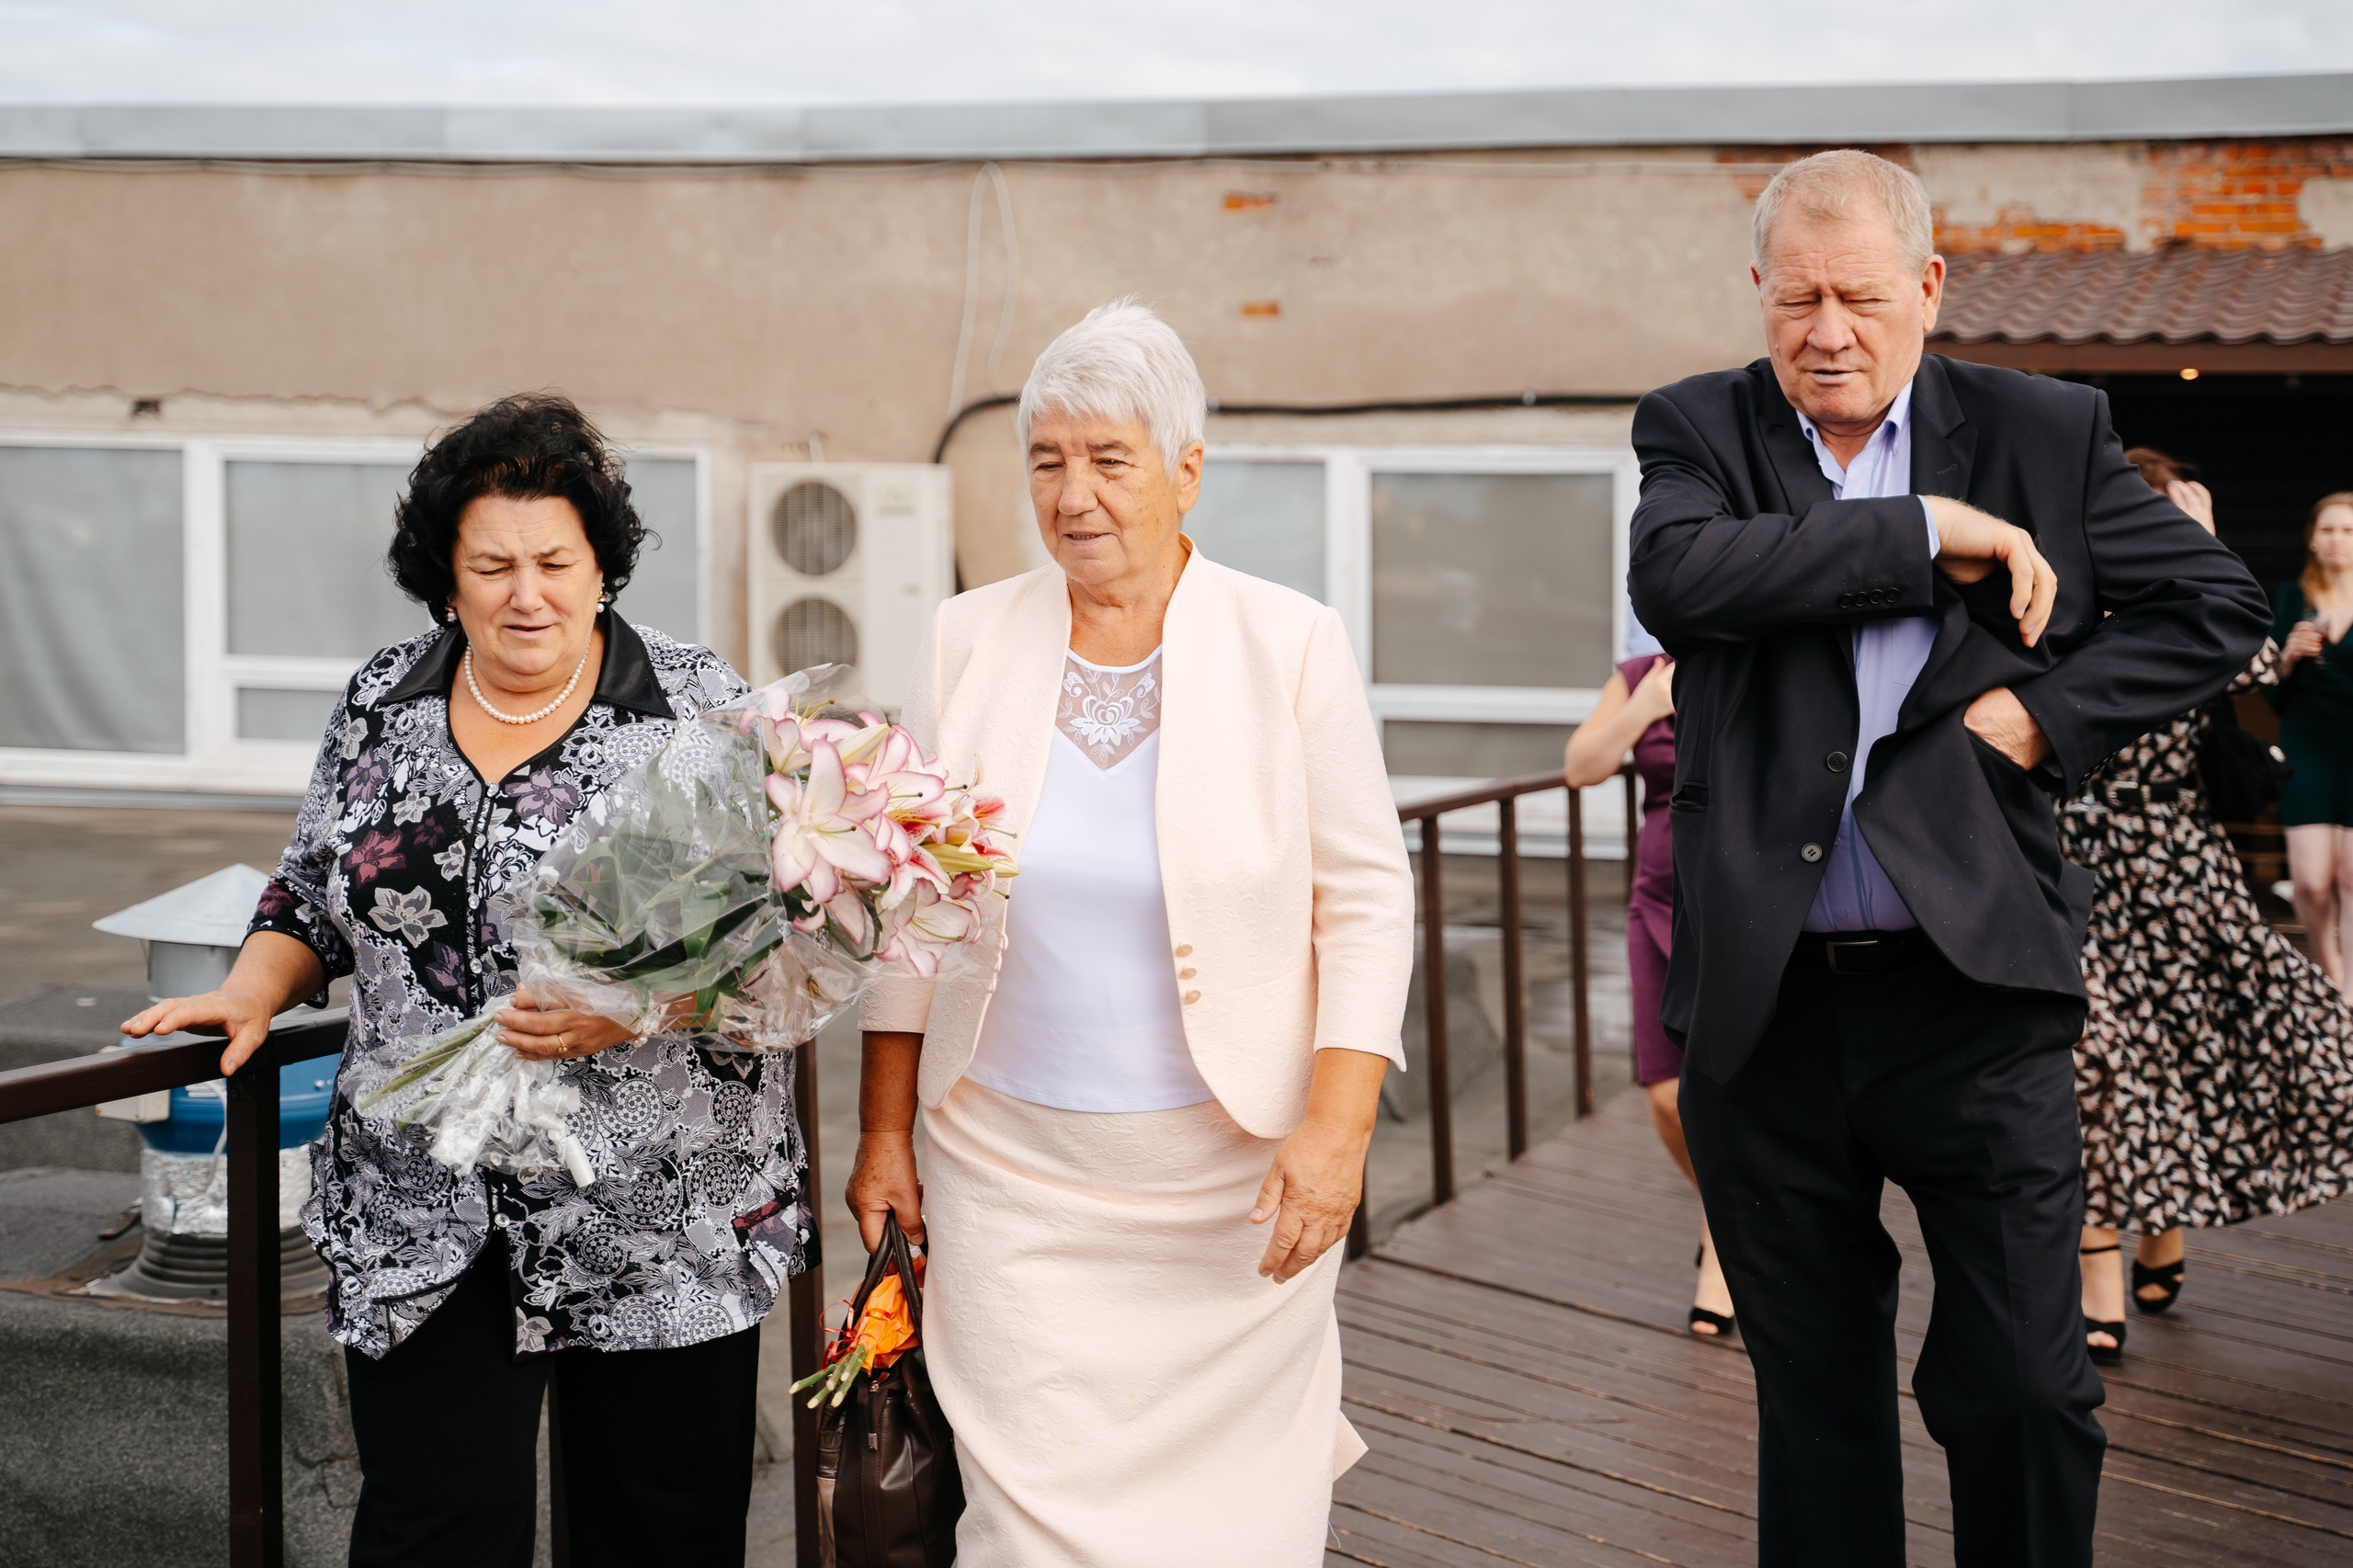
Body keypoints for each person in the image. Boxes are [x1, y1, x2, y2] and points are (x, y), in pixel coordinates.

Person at [1628, 150, 2268, 1567]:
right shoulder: (1699, 427)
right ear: (1758, 290)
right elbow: (1681, 577)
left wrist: (2038, 720)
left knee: (2026, 1386)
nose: (1828, 331)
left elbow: (2217, 605)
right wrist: (1929, 532)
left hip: (1972, 993)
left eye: (1861, 297)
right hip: (1766, 1009)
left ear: (1927, 287)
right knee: (1817, 1404)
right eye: (1797, 298)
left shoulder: (2045, 429)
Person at [121, 395, 793, 1568]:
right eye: (492, 565)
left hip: (658, 1201)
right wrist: (253, 988)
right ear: (445, 577)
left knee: (662, 1529)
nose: (525, 594)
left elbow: (773, 938)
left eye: (554, 562)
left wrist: (632, 1007)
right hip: (423, 1197)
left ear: (601, 568)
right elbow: (312, 886)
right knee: (432, 1529)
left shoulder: (693, 707)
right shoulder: (383, 698)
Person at [845, 300, 1415, 1568]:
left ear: (1186, 470)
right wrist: (883, 1129)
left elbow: (1369, 899)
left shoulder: (1291, 642)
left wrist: (1339, 1129)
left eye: (1110, 458)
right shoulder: (966, 636)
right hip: (1008, 1177)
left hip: (1229, 1189)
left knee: (1236, 1529)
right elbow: (910, 907)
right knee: (1024, 1529)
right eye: (1047, 460)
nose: (1074, 494)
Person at [2063, 450, 2353, 1364]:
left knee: (2178, 1053)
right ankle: (2098, 1264)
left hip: (2178, 859)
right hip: (2072, 862)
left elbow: (2254, 664)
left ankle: (2160, 1222)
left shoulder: (2194, 604)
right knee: (2091, 1059)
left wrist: (2203, 547)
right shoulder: (2060, 600)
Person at [1564, 636, 1736, 1336]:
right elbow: (1581, 767)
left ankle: (1722, 1246)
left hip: (1741, 908)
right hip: (1660, 903)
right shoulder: (1642, 674)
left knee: (1736, 1086)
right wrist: (1641, 709)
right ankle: (1730, 1212)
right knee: (1667, 1095)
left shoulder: (1763, 658)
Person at [2268, 492, 2353, 985]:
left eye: (2348, 530)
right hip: (2306, 747)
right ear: (2313, 539)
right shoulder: (2290, 599)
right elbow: (2272, 694)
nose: (2337, 539)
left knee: (2352, 880)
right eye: (2328, 529)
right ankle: (2328, 969)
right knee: (2312, 883)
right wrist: (2287, 659)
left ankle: (2350, 995)